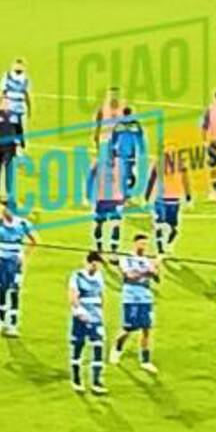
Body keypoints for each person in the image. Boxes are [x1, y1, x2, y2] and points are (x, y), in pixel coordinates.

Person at [109, 233, 160, 374]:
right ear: (135, 243)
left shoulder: (147, 260)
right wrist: (148, 272)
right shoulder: (126, 259)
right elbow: (129, 276)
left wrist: (156, 269)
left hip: (146, 297)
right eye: (141, 243)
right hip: (131, 297)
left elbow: (156, 280)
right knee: (128, 328)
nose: (144, 246)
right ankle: (116, 349)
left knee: (146, 329)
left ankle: (145, 361)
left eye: (146, 244)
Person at [0, 202, 37, 337]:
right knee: (1, 290)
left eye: (4, 209)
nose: (1, 212)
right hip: (2, 261)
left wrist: (24, 256)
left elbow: (34, 241)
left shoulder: (22, 224)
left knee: (14, 291)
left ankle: (13, 324)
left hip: (15, 262)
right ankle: (1, 321)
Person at [68, 251, 108, 394]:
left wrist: (101, 312)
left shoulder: (99, 277)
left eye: (97, 265)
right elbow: (73, 295)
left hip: (96, 316)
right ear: (88, 262)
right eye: (93, 264)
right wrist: (78, 311)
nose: (95, 268)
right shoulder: (77, 276)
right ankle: (76, 379)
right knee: (78, 346)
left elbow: (102, 295)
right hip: (81, 315)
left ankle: (96, 382)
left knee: (98, 345)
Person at [145, 140, 191, 255]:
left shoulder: (159, 162)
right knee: (171, 223)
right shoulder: (180, 163)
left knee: (159, 223)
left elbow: (152, 178)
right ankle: (168, 238)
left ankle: (161, 247)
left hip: (161, 198)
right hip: (174, 198)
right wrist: (188, 195)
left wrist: (147, 195)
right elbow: (185, 179)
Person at [0, 96, 25, 198]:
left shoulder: (15, 116)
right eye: (3, 103)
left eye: (7, 103)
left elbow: (19, 130)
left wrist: (21, 143)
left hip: (10, 147)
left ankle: (9, 191)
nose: (5, 105)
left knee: (9, 169)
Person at [89, 150, 125, 253]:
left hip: (108, 199)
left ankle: (107, 248)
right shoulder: (119, 164)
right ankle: (103, 247)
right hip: (109, 199)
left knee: (111, 224)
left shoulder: (99, 163)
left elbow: (90, 178)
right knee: (109, 224)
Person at [111, 106, 146, 201]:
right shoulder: (134, 124)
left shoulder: (119, 124)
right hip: (130, 153)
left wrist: (112, 150)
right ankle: (126, 193)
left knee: (125, 174)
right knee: (127, 174)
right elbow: (140, 137)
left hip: (122, 153)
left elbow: (114, 138)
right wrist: (142, 150)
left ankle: (125, 193)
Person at [0, 57, 32, 121]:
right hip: (8, 106)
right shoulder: (6, 76)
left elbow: (27, 95)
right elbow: (1, 93)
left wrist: (29, 110)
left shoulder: (26, 79)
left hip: (20, 107)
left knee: (18, 128)